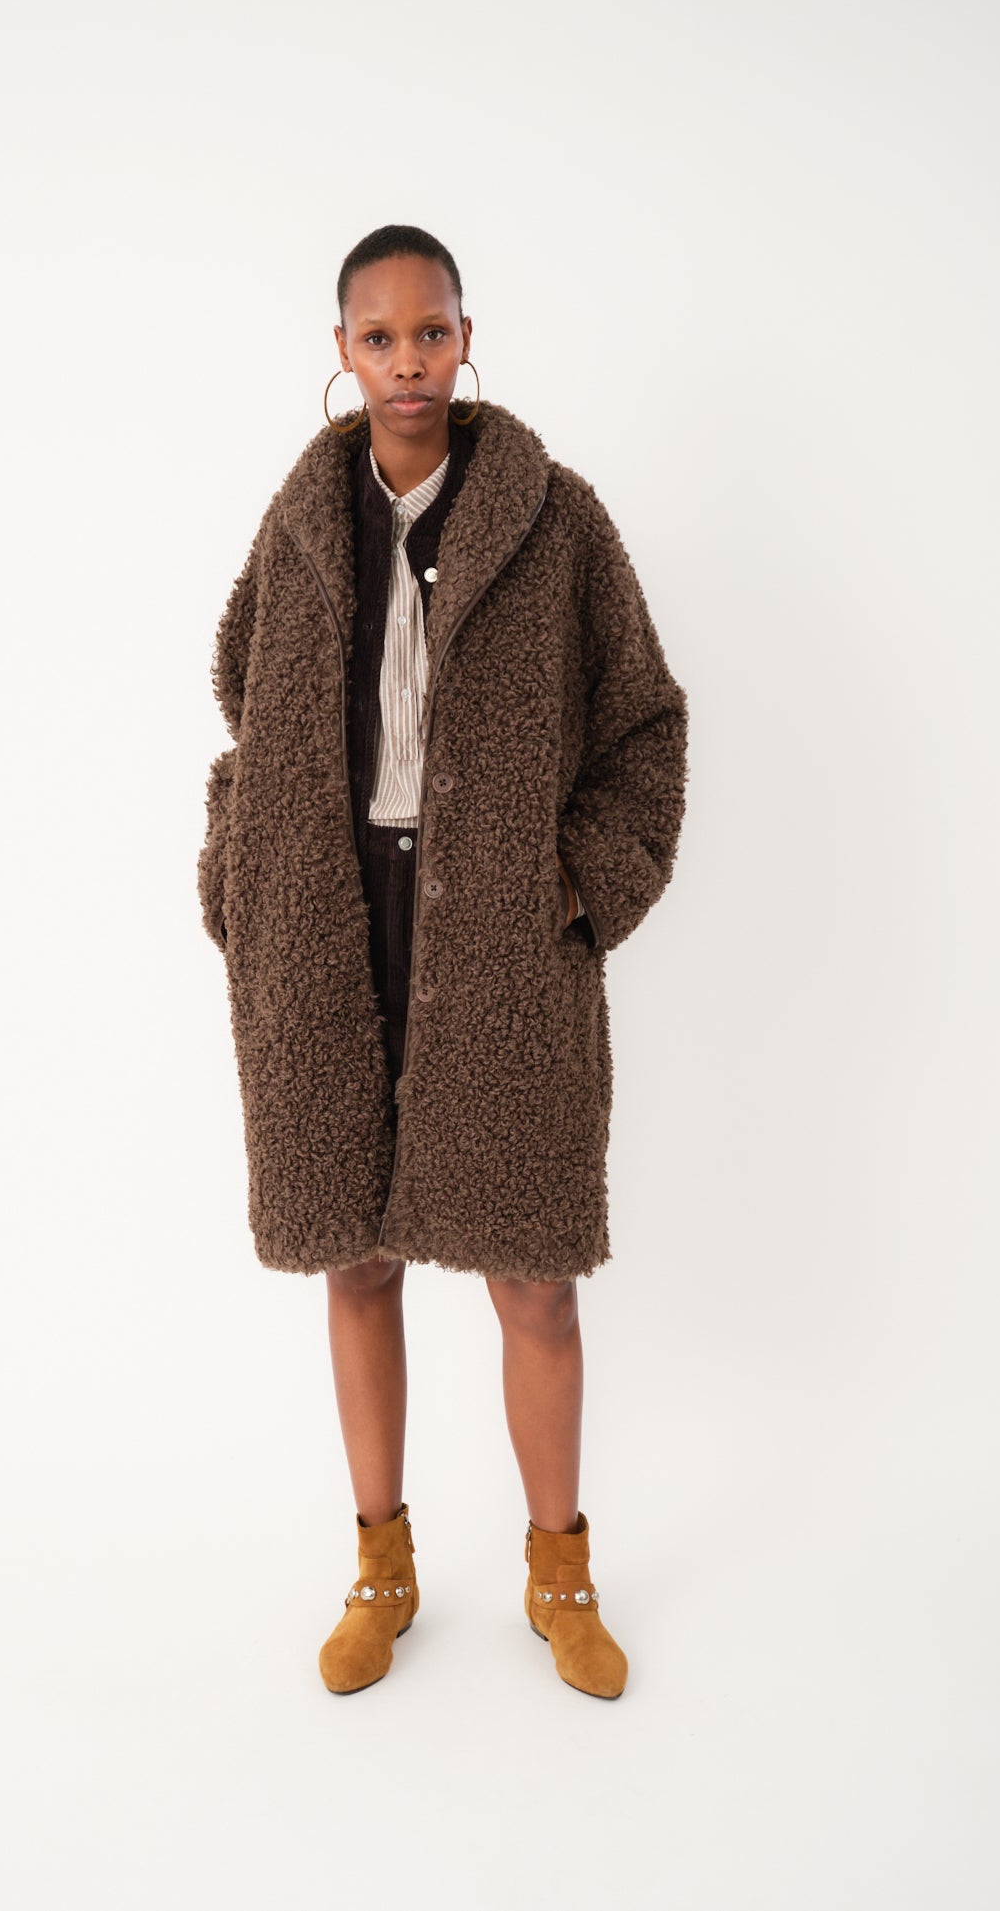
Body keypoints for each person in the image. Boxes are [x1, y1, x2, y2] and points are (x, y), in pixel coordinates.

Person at [197, 225, 689, 1699]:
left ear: (467, 338)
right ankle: (382, 1568)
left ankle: (562, 1574)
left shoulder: (558, 521)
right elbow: (242, 705)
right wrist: (240, 878)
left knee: (535, 1275)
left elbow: (646, 726)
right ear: (341, 354)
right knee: (355, 1256)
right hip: (333, 921)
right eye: (379, 337)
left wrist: (579, 882)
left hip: (501, 938)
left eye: (432, 331)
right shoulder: (302, 524)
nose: (407, 360)